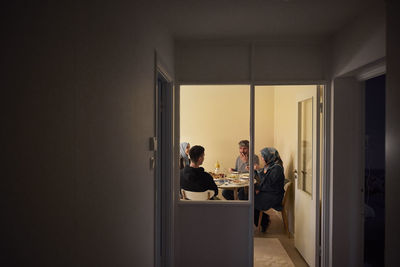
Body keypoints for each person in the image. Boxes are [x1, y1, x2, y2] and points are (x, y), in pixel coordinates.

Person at [254, 147, 285, 232]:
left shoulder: (277, 168)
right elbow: (265, 181)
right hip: (269, 192)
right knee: (246, 196)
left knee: (249, 200)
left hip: (274, 196)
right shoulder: (270, 166)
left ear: (269, 157)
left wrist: (259, 170)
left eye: (263, 156)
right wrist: (257, 171)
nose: (262, 159)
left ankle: (264, 221)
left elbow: (267, 183)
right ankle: (263, 220)